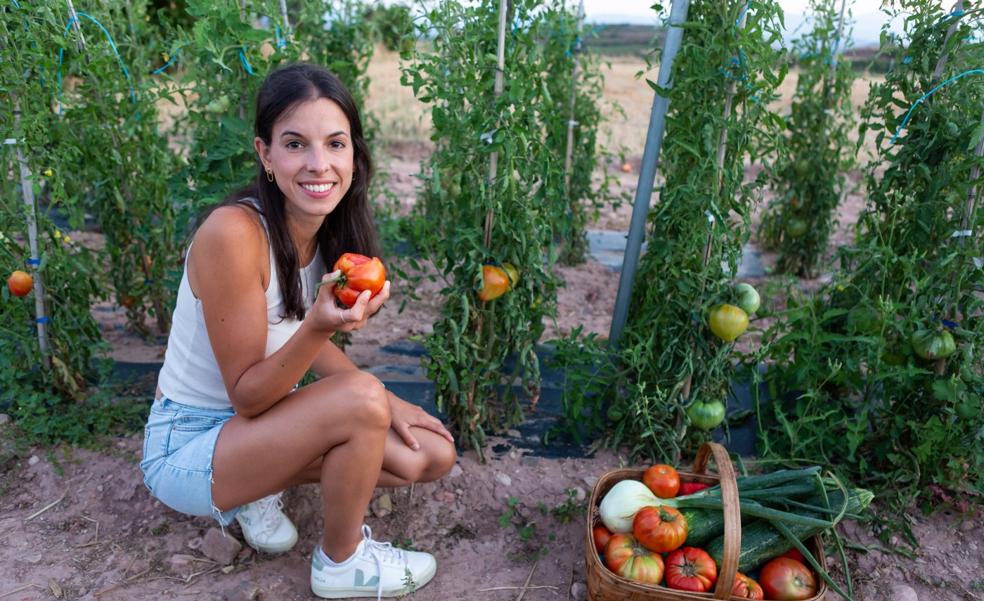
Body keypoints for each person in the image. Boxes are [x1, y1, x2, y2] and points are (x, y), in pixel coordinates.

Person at [140, 63, 456, 599]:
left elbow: (288, 336)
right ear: (265, 154)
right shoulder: (235, 234)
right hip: (189, 445)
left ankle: (259, 484)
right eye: (294, 144)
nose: (319, 164)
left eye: (335, 143)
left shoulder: (323, 232)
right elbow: (246, 395)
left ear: (354, 152)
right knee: (361, 400)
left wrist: (391, 406)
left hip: (259, 424)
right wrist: (329, 343)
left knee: (426, 452)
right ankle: (342, 563)